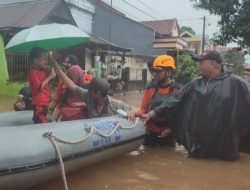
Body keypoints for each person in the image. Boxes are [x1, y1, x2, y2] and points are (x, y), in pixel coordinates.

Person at [142, 50, 250, 160]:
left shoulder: (236, 83)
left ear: (213, 64)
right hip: (198, 146)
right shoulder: (195, 84)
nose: (199, 65)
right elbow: (174, 100)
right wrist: (152, 113)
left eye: (201, 62)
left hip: (225, 148)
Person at [50, 52, 134, 118]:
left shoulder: (114, 104)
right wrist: (54, 64)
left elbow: (136, 110)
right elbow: (71, 85)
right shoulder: (88, 96)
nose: (88, 91)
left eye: (91, 90)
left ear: (98, 93)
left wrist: (132, 112)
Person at [128, 55, 181, 147]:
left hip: (168, 135)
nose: (154, 73)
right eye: (153, 70)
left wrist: (172, 129)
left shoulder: (178, 90)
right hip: (150, 133)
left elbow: (181, 115)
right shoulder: (151, 88)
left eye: (158, 71)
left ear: (169, 72)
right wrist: (133, 112)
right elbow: (143, 109)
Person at [28, 47, 55, 124]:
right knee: (41, 122)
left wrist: (53, 59)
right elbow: (39, 87)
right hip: (39, 103)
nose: (45, 61)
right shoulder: (33, 72)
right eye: (43, 59)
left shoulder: (42, 70)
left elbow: (52, 72)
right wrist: (49, 77)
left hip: (44, 102)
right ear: (35, 60)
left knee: (42, 120)